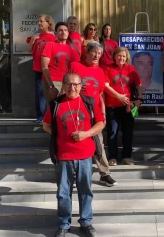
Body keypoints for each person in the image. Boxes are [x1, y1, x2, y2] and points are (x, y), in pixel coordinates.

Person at [43, 72, 104, 237]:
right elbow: (46, 125)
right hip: (63, 155)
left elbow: (100, 123)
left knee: (85, 190)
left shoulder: (88, 102)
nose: (72, 87)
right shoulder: (55, 104)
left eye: (76, 84)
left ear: (81, 86)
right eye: (69, 84)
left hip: (85, 155)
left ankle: (86, 222)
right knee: (63, 192)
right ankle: (64, 223)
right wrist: (58, 135)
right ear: (63, 85)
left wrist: (86, 134)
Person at [69, 41, 117, 187]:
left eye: (99, 53)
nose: (96, 55)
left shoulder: (100, 71)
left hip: (95, 111)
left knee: (98, 142)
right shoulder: (76, 66)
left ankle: (105, 173)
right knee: (77, 141)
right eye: (94, 52)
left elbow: (101, 93)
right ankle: (75, 174)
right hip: (78, 108)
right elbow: (68, 86)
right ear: (87, 52)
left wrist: (102, 111)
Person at [104, 47, 143, 166]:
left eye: (124, 56)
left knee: (128, 132)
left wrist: (139, 99)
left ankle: (127, 156)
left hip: (130, 106)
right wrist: (119, 96)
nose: (121, 58)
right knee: (112, 132)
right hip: (112, 106)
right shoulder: (108, 68)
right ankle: (113, 157)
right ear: (114, 56)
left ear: (127, 58)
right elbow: (106, 86)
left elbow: (139, 84)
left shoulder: (131, 69)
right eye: (119, 55)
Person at [27, 14, 56, 122]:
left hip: (50, 70)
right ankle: (40, 116)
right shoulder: (36, 36)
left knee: (50, 94)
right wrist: (33, 39)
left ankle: (50, 116)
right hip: (38, 69)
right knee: (39, 93)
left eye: (41, 21)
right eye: (38, 21)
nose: (39, 23)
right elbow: (29, 49)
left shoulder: (54, 37)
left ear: (48, 23)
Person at [41, 22, 75, 105]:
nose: (63, 32)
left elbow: (72, 69)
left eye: (65, 30)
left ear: (68, 33)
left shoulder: (70, 49)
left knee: (62, 109)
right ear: (56, 33)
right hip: (52, 81)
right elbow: (44, 67)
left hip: (65, 82)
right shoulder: (50, 45)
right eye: (60, 30)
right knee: (52, 109)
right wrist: (51, 86)